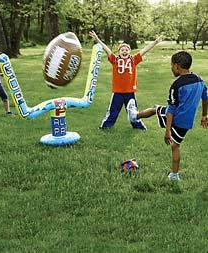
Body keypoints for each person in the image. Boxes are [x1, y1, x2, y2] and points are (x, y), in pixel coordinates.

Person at [127, 51, 208, 180]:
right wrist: (204, 115)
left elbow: (171, 109)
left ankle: (134, 116)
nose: (171, 68)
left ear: (176, 66)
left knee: (156, 111)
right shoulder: (199, 79)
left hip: (176, 119)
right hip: (187, 122)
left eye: (171, 65)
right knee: (174, 144)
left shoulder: (176, 85)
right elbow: (205, 97)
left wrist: (168, 130)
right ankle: (174, 175)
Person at [89, 30, 162, 130]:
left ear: (129, 51)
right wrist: (97, 39)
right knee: (113, 111)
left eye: (126, 49)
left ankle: (138, 126)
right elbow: (106, 49)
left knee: (133, 111)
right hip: (118, 92)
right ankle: (106, 127)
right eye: (122, 50)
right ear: (118, 52)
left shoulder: (133, 60)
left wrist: (155, 42)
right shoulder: (114, 60)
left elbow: (145, 50)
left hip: (130, 92)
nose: (124, 51)